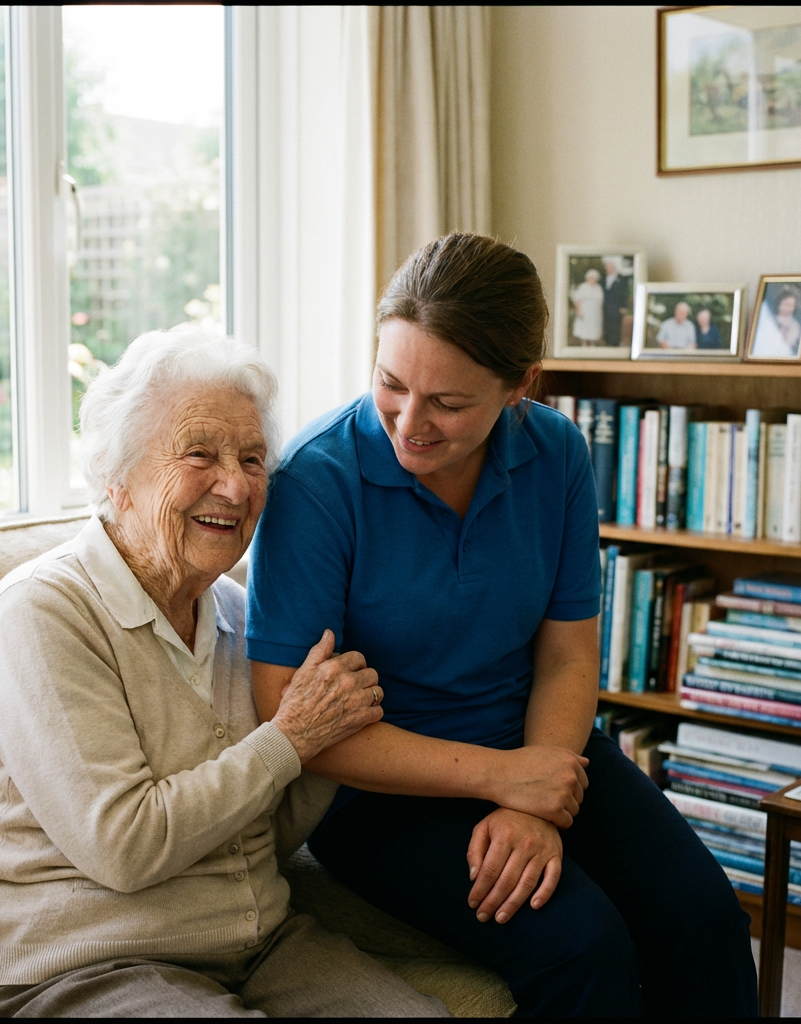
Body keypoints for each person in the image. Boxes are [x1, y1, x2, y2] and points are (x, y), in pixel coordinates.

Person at [247, 234, 758, 1017]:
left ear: (521, 385)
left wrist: (533, 793)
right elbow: (290, 719)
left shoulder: (558, 454)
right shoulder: (316, 483)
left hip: (536, 743)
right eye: (390, 383)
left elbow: (564, 657)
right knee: (585, 948)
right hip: (380, 791)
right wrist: (504, 782)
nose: (409, 423)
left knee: (707, 918)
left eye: (448, 402)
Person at [0, 326, 448, 1018]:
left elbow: (254, 836)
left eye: (252, 458)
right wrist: (291, 738)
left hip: (249, 947)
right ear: (115, 478)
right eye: (199, 455)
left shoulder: (240, 616)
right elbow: (122, 846)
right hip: (74, 966)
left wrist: (336, 728)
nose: (236, 485)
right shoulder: (42, 612)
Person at [601, 256, 630, 347]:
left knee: (616, 327)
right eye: (606, 266)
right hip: (606, 307)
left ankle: (615, 344)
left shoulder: (621, 279)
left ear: (614, 267)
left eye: (609, 266)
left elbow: (625, 293)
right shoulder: (603, 279)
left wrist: (624, 306)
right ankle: (608, 343)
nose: (607, 268)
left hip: (617, 308)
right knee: (607, 326)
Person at [571, 267, 604, 345]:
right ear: (587, 278)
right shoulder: (583, 287)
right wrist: (578, 311)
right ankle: (584, 345)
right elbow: (577, 300)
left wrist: (601, 313)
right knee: (584, 329)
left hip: (595, 313)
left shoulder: (598, 288)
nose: (592, 280)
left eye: (594, 278)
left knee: (593, 329)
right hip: (585, 311)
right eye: (591, 278)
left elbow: (600, 302)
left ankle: (592, 345)